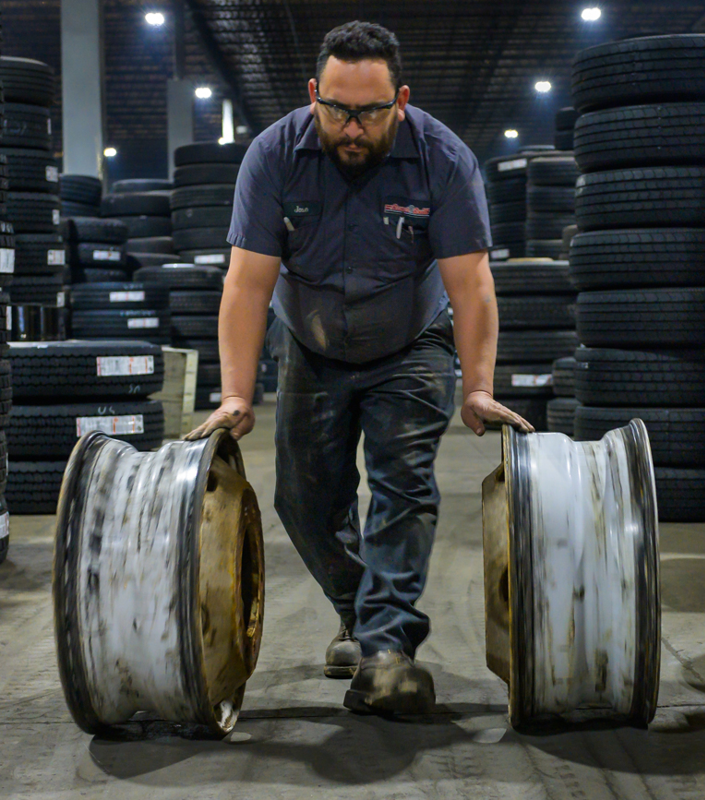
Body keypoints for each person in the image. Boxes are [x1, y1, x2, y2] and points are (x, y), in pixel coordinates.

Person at [187, 20, 531, 715]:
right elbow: (247, 285)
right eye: (337, 109)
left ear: (399, 100)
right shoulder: (273, 157)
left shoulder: (443, 158)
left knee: (402, 486)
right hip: (312, 345)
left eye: (370, 112)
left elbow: (472, 284)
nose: (352, 127)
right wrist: (233, 393)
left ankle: (386, 648)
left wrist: (481, 386)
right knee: (303, 501)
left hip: (411, 341)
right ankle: (356, 606)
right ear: (314, 93)